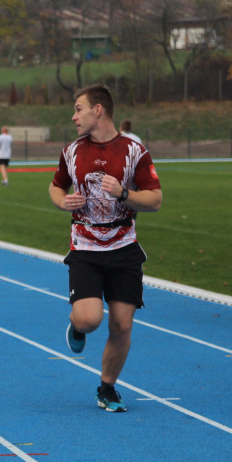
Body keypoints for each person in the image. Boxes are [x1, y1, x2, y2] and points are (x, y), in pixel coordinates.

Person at [50, 84, 162, 412]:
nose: (74, 116)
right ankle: (78, 324)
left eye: (79, 109)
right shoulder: (71, 151)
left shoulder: (134, 151)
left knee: (122, 324)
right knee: (89, 320)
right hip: (85, 245)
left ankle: (107, 388)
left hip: (124, 246)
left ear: (98, 110)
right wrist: (62, 202)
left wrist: (124, 194)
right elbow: (56, 186)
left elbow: (155, 200)